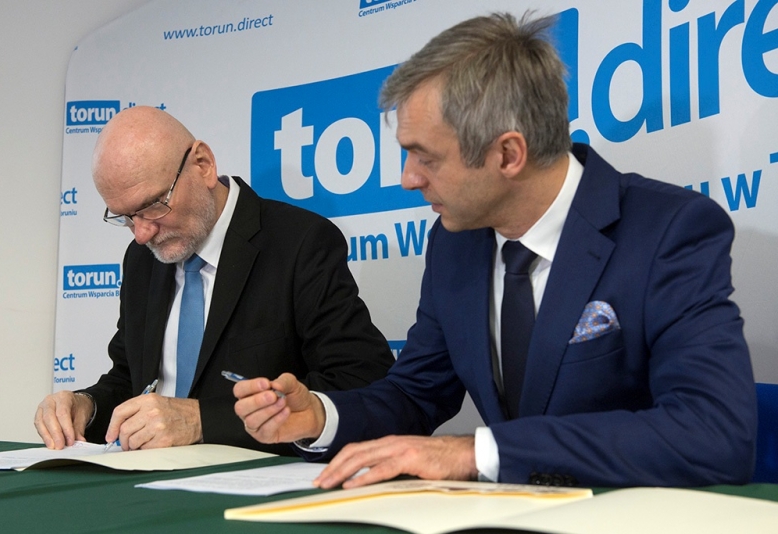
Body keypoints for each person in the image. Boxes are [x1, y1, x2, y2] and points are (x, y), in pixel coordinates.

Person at [232, 12, 757, 487]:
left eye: (425, 157)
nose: (408, 179)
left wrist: (478, 453)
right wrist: (320, 416)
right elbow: (415, 393)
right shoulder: (453, 244)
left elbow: (712, 433)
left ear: (508, 154)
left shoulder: (669, 230)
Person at [34, 106, 394, 455]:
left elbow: (359, 381)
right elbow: (131, 380)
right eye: (126, 217)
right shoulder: (142, 259)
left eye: (154, 205)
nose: (141, 234)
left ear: (203, 165)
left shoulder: (299, 242)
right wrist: (88, 406)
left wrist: (201, 421)